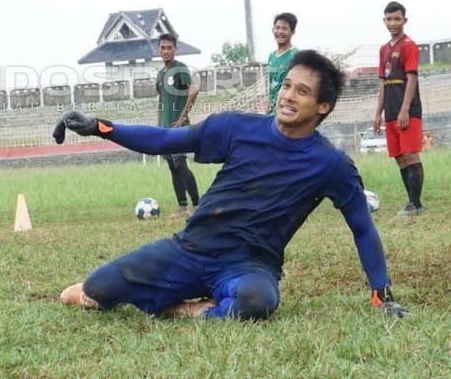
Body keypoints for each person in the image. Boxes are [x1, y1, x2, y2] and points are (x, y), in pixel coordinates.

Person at [53, 50, 410, 321]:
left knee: (256, 303)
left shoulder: (331, 164)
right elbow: (164, 139)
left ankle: (186, 310)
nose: (288, 96)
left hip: (249, 266)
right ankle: (186, 300)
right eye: (287, 85)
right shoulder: (236, 127)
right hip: (190, 250)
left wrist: (382, 294)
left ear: (323, 106)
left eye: (302, 92)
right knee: (98, 288)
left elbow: (362, 227)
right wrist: (100, 127)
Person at [372, 1, 425, 216]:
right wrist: (377, 113)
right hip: (390, 110)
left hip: (408, 109)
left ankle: (416, 204)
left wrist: (405, 109)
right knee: (399, 156)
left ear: (405, 20)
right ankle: (410, 200)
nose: (393, 23)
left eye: (397, 19)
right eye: (389, 19)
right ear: (384, 20)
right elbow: (384, 83)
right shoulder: (384, 49)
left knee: (411, 154)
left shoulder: (409, 45)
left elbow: (411, 78)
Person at [156, 33, 200, 216]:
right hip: (165, 128)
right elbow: (161, 99)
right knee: (172, 167)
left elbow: (194, 90)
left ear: (175, 49)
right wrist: (158, 125)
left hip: (179, 128)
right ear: (158, 49)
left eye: (169, 48)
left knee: (181, 164)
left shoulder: (180, 69)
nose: (166, 51)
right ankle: (182, 207)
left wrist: (183, 117)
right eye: (163, 48)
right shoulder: (160, 74)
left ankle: (198, 205)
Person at [266, 12, 299, 114]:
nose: (280, 31)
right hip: (272, 113)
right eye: (277, 28)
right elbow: (271, 84)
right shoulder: (271, 56)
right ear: (273, 30)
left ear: (293, 32)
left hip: (286, 110)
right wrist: (267, 108)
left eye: (284, 28)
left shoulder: (295, 55)